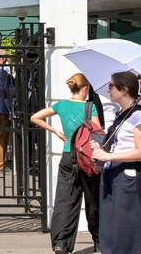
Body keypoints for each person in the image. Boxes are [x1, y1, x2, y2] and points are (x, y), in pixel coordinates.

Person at [30, 73, 103, 254]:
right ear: (85, 88)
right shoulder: (90, 107)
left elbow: (35, 117)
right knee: (92, 199)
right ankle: (99, 240)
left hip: (67, 156)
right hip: (86, 158)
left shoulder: (61, 105)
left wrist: (55, 130)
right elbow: (98, 132)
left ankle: (60, 243)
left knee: (65, 200)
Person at [90, 71, 141, 254]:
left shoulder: (137, 115)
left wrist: (108, 156)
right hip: (113, 174)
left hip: (127, 177)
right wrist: (102, 149)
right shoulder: (123, 113)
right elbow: (119, 144)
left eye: (111, 85)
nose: (108, 89)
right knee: (110, 226)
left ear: (125, 89)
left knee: (125, 227)